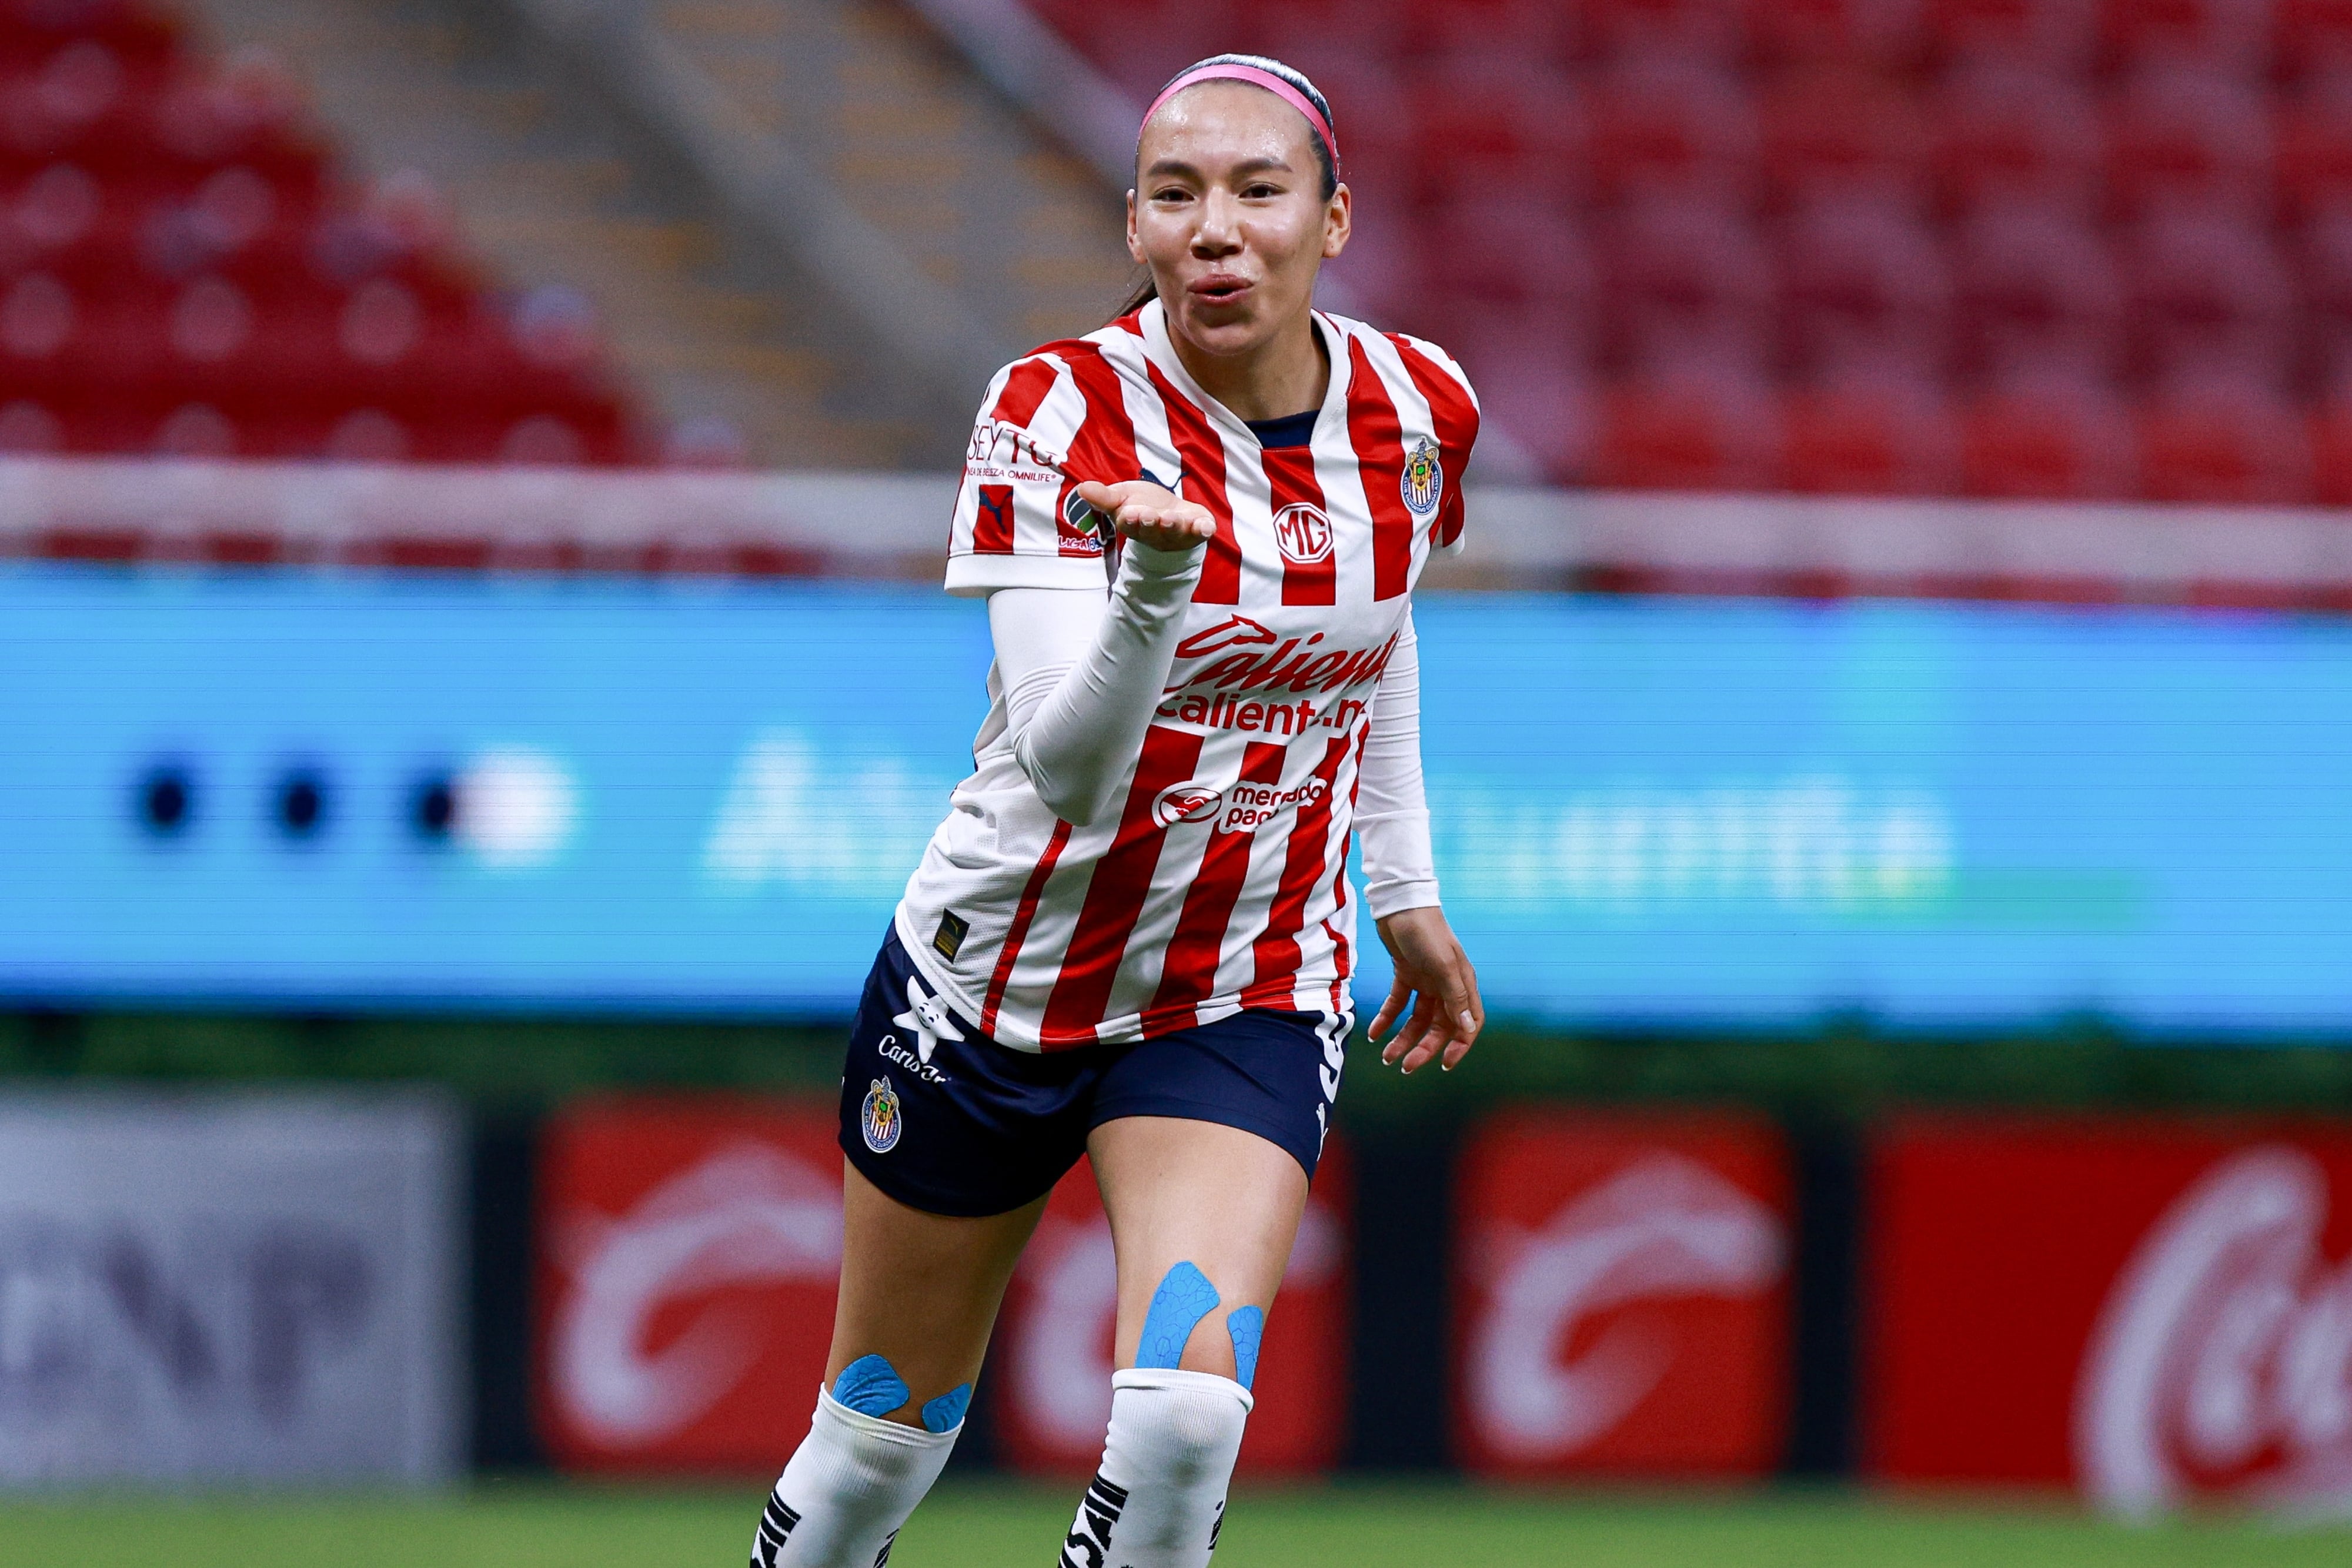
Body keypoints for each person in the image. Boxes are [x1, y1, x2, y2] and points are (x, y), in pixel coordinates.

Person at [750, 52, 1485, 1568]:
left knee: (1184, 1422)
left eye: (1260, 192)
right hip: (996, 984)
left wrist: (1402, 883)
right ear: (1135, 229)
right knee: (875, 1447)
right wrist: (1154, 582)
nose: (1219, 228)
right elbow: (1066, 774)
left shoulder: (1424, 409)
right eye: (1177, 194)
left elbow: (1381, 619)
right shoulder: (1053, 410)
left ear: (1332, 221)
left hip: (1239, 983)